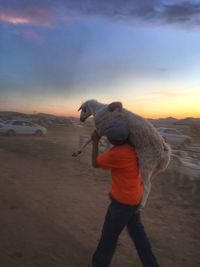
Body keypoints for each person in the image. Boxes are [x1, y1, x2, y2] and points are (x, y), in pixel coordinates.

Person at [87, 120, 160, 267]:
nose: (107, 138)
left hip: (121, 204)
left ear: (114, 140)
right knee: (139, 235)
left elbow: (95, 163)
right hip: (135, 198)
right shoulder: (134, 147)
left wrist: (95, 141)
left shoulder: (117, 154)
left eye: (109, 137)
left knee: (109, 237)